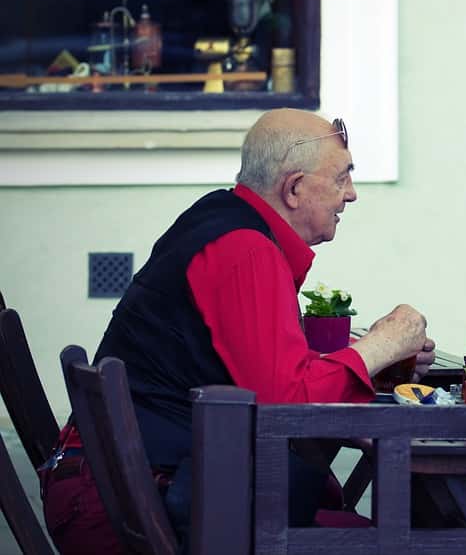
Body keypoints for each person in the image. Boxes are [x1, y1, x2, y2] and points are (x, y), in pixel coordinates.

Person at [41, 109, 436, 553]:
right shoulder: (246, 250)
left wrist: (374, 359)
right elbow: (286, 406)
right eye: (342, 178)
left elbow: (264, 371)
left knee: (364, 528)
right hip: (132, 505)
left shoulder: (220, 217)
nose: (352, 195)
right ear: (294, 188)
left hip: (123, 489)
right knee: (390, 542)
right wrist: (381, 343)